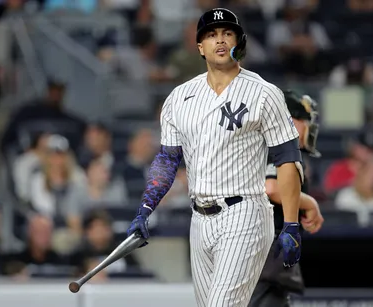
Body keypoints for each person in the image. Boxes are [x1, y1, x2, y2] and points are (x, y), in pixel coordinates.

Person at [126, 8, 304, 307]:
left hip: (245, 213)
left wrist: (290, 223)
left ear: (239, 41)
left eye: (227, 33)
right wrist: (146, 207)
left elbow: (288, 157)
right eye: (211, 35)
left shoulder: (264, 92)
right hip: (199, 220)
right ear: (199, 46)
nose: (219, 40)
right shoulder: (179, 97)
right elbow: (168, 160)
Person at [249, 91, 325, 307]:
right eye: (303, 120)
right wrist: (311, 203)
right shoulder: (274, 144)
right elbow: (271, 188)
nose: (308, 127)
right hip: (261, 257)